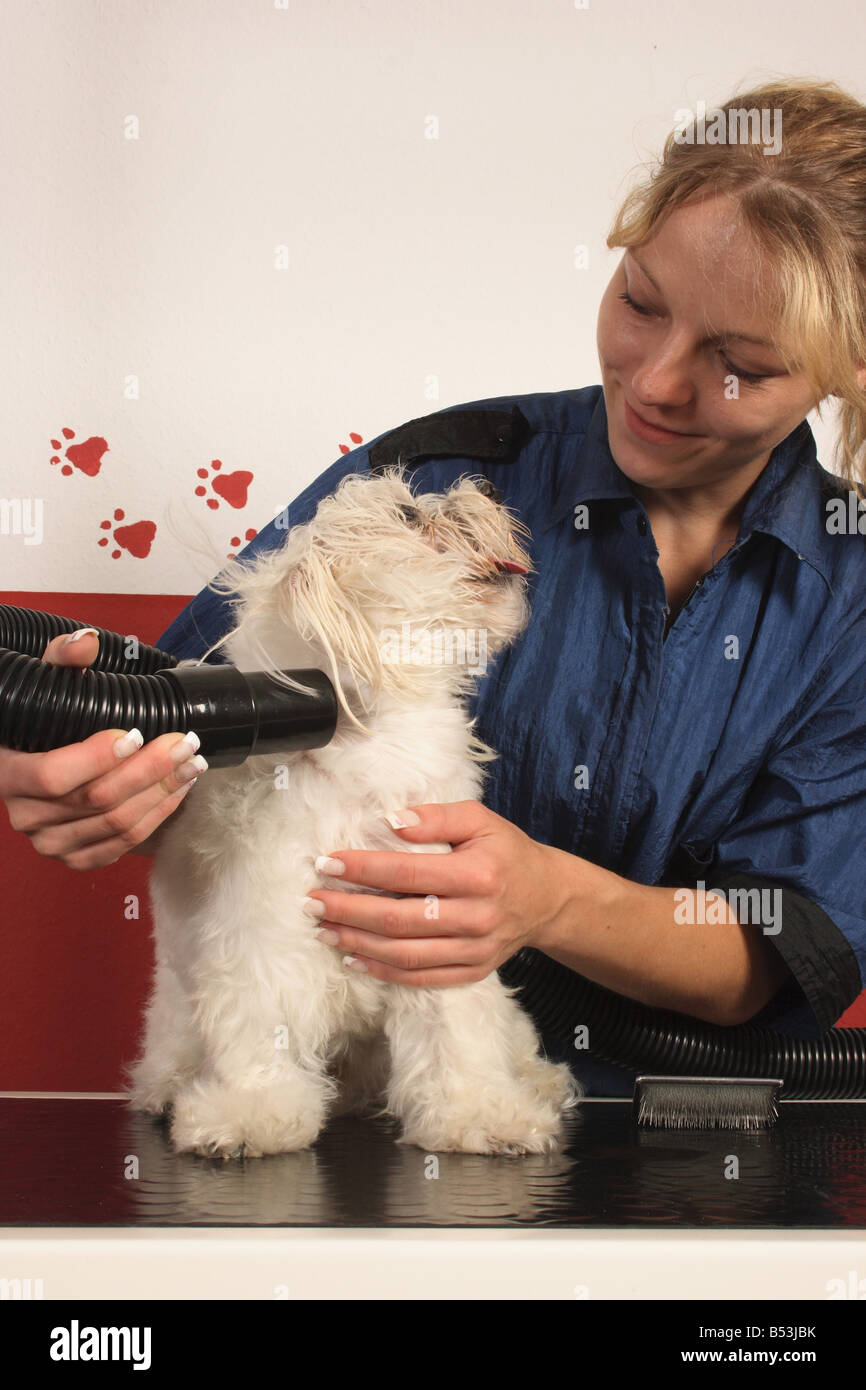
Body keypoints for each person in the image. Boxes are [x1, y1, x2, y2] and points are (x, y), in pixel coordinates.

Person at [3, 77, 865, 1096]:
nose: (653, 381)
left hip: (662, 1134)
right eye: (639, 302)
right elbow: (195, 717)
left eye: (739, 364)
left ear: (837, 370)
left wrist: (544, 901)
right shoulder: (436, 475)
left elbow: (779, 944)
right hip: (366, 1116)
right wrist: (95, 775)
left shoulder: (846, 603)